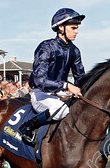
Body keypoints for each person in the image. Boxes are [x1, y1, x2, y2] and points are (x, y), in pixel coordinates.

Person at [18, 8, 85, 145]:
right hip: (41, 94)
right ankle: (28, 126)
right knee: (61, 110)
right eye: (73, 28)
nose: (76, 31)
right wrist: (66, 85)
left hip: (59, 94)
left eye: (77, 28)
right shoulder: (46, 47)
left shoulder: (75, 51)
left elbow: (80, 77)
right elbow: (39, 80)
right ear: (61, 27)